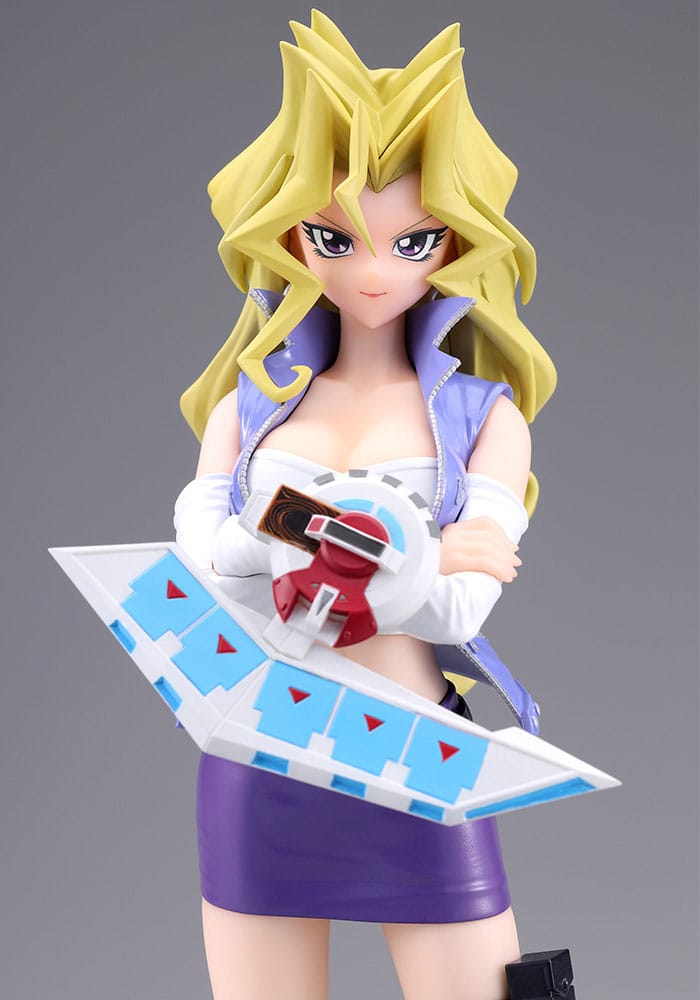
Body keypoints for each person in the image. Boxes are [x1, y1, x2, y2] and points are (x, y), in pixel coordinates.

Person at [173, 13, 556, 1000]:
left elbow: (459, 609)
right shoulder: (247, 405)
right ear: (289, 234)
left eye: (413, 239)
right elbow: (202, 569)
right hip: (262, 749)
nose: (375, 270)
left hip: (419, 749)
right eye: (335, 238)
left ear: (456, 241)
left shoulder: (487, 419)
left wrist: (285, 539)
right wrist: (409, 554)